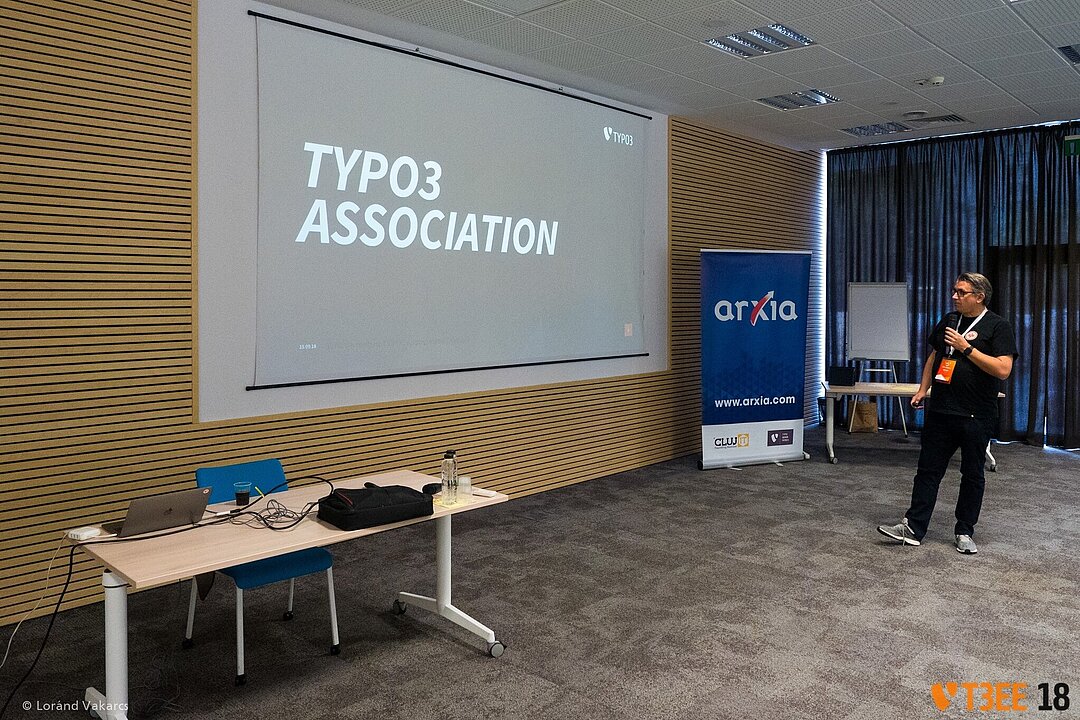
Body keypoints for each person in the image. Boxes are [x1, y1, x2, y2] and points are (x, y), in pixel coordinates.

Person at [878, 272, 1017, 554]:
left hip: (977, 415)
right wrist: (922, 389)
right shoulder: (949, 320)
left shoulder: (998, 326)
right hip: (942, 411)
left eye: (961, 292)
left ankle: (964, 531)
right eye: (954, 290)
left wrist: (966, 348)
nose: (955, 296)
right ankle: (913, 527)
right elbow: (935, 356)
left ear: (979, 297)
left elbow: (1003, 369)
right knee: (927, 471)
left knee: (972, 474)